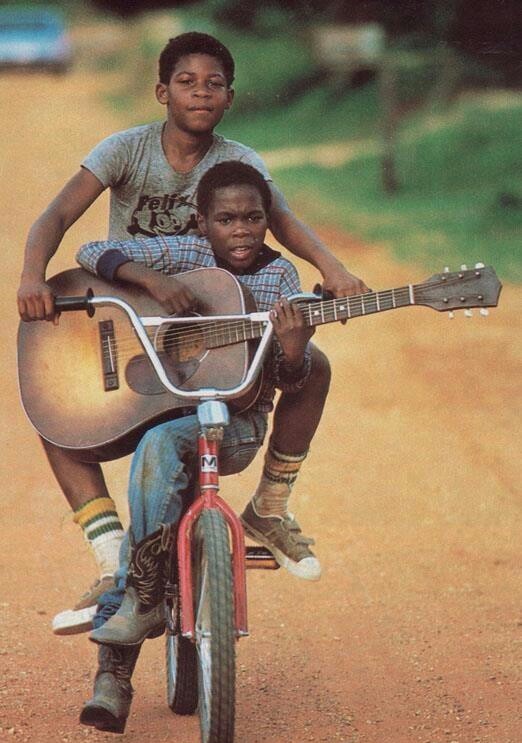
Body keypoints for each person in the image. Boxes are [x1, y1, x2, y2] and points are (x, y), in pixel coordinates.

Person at [17, 32, 369, 635]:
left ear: (231, 97)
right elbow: (60, 218)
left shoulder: (240, 164)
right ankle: (110, 561)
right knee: (56, 419)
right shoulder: (127, 150)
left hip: (203, 338)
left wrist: (331, 269)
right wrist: (32, 276)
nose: (200, 92)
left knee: (313, 364)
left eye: (213, 84)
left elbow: (281, 220)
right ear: (161, 92)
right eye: (186, 82)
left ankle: (272, 506)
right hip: (135, 310)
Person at [79, 160, 316, 733]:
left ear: (268, 222)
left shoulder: (281, 281)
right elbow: (90, 251)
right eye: (227, 219)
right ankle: (117, 671)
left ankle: (134, 610)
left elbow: (293, 379)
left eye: (254, 218)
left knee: (161, 445)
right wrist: (152, 281)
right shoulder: (183, 255)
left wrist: (291, 347)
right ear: (201, 223)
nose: (241, 230)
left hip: (234, 428)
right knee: (156, 453)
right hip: (167, 410)